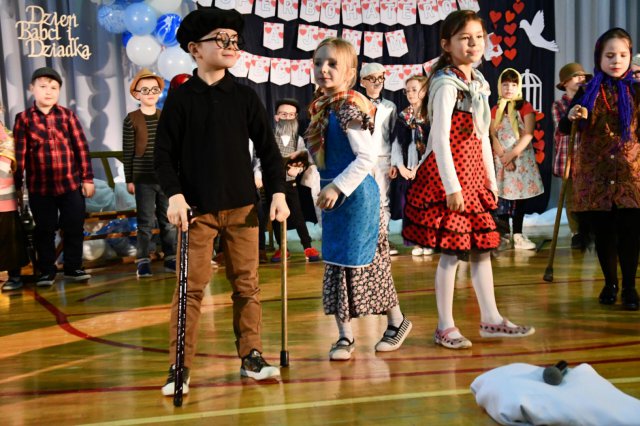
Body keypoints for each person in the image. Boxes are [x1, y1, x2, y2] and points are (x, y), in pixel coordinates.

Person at [155, 8, 290, 395]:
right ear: (195, 49)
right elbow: (163, 156)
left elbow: (269, 149)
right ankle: (178, 365)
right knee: (190, 288)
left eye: (235, 40)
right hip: (197, 212)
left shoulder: (245, 97)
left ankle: (251, 356)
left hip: (243, 209)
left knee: (247, 285)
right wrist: (175, 194)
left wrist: (278, 191)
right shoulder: (181, 99)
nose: (231, 45)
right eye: (221, 39)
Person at [402, 10, 535, 349]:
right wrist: (452, 187)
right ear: (447, 44)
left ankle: (491, 319)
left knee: (481, 251)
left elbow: (481, 136)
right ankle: (444, 325)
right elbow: (441, 139)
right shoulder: (447, 83)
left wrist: (490, 181)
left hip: (474, 173)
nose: (474, 43)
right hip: (453, 175)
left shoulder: (476, 82)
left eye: (479, 36)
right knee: (451, 253)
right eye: (465, 37)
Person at [306, 37, 412, 360]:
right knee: (337, 264)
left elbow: (364, 157)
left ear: (350, 74)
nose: (323, 69)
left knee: (370, 263)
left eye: (332, 64)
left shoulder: (349, 105)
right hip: (335, 199)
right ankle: (345, 336)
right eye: (318, 63)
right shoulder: (322, 108)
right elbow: (328, 154)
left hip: (355, 198)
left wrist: (337, 187)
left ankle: (397, 322)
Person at [561, 28, 640, 311]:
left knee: (630, 234)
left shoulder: (636, 89)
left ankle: (630, 286)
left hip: (631, 174)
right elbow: (564, 127)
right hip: (596, 175)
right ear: (599, 58)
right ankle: (610, 283)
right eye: (610, 55)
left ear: (630, 57)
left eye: (622, 55)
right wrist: (574, 114)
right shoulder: (587, 90)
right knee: (605, 234)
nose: (616, 61)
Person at [13, 67, 95, 287]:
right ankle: (47, 270)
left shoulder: (67, 116)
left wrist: (87, 179)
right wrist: (18, 186)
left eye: (53, 88)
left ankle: (73, 267)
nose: (48, 92)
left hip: (69, 184)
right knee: (44, 229)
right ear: (32, 89)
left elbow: (80, 148)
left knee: (74, 226)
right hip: (41, 188)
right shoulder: (24, 119)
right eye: (42, 87)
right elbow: (20, 154)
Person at [123, 68, 176, 278]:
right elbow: (128, 149)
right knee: (145, 222)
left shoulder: (164, 117)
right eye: (145, 90)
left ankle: (170, 257)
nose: (150, 93)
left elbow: (171, 148)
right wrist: (129, 178)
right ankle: (143, 260)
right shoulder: (131, 119)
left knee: (167, 221)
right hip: (143, 178)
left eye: (154, 89)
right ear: (137, 94)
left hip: (164, 177)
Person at [490, 68, 544, 250]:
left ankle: (519, 234)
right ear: (500, 86)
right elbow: (492, 135)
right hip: (501, 158)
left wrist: (512, 155)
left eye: (513, 84)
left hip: (520, 158)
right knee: (503, 196)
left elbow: (528, 134)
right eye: (505, 84)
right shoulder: (495, 109)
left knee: (520, 197)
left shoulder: (525, 107)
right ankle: (504, 234)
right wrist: (503, 157)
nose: (509, 88)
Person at [268, 98, 320, 263]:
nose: (287, 118)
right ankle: (282, 248)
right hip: (273, 183)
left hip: (291, 183)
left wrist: (299, 168)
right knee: (276, 216)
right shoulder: (268, 137)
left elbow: (306, 157)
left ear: (296, 117)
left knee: (297, 214)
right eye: (284, 114)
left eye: (291, 115)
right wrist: (257, 175)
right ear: (277, 117)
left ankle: (307, 245)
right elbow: (259, 159)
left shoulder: (297, 139)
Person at [391, 75, 434, 256]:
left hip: (427, 166)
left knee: (428, 205)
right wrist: (401, 167)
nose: (410, 93)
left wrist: (420, 167)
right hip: (408, 166)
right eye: (407, 90)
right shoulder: (403, 116)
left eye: (414, 89)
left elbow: (433, 143)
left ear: (424, 91)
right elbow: (396, 143)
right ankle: (416, 242)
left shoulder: (432, 114)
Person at [359, 63, 399, 255]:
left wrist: (394, 162)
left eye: (380, 78)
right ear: (362, 82)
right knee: (364, 200)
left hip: (383, 158)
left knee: (383, 201)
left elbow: (393, 135)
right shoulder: (355, 103)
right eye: (372, 79)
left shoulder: (390, 106)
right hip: (361, 159)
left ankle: (383, 239)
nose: (377, 83)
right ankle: (366, 240)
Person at [552, 63, 590, 249]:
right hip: (568, 156)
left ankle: (589, 230)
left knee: (589, 194)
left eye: (583, 77)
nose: (581, 80)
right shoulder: (559, 105)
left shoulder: (589, 101)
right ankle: (576, 232)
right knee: (571, 196)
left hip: (588, 157)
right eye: (576, 77)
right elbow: (562, 128)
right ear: (566, 83)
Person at [0, 107, 28, 291]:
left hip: (4, 195)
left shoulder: (7, 137)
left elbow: (7, 167)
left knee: (8, 236)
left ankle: (14, 275)